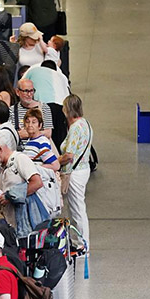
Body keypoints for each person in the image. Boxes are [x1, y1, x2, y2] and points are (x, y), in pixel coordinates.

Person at [0, 135, 44, 228]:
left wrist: (11, 196)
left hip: (26, 220)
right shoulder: (0, 168)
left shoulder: (20, 159)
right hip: (11, 219)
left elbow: (37, 183)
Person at [59, 94, 94, 245]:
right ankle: (79, 239)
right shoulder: (85, 123)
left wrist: (56, 161)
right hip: (83, 169)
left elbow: (69, 155)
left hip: (75, 172)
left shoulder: (74, 128)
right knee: (77, 207)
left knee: (77, 209)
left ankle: (82, 243)